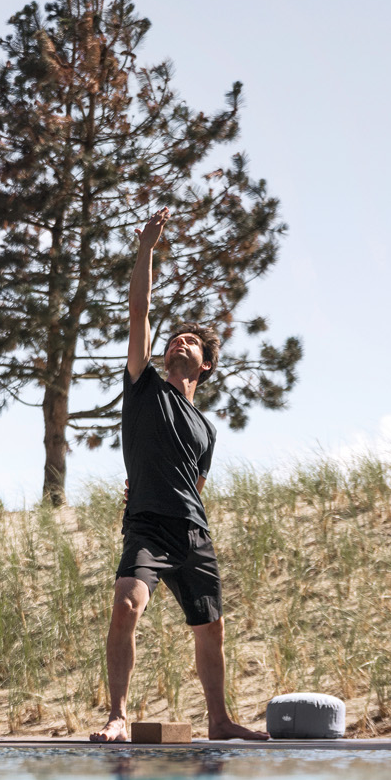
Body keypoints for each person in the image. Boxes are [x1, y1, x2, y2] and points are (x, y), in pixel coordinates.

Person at [93, 210, 267, 743]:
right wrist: (146, 248)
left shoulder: (206, 429)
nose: (179, 343)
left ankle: (219, 720)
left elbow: (197, 485)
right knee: (126, 604)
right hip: (146, 524)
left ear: (206, 365)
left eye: (190, 341)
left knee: (211, 627)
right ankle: (117, 716)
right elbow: (139, 309)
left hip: (193, 531)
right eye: (175, 339)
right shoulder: (144, 383)